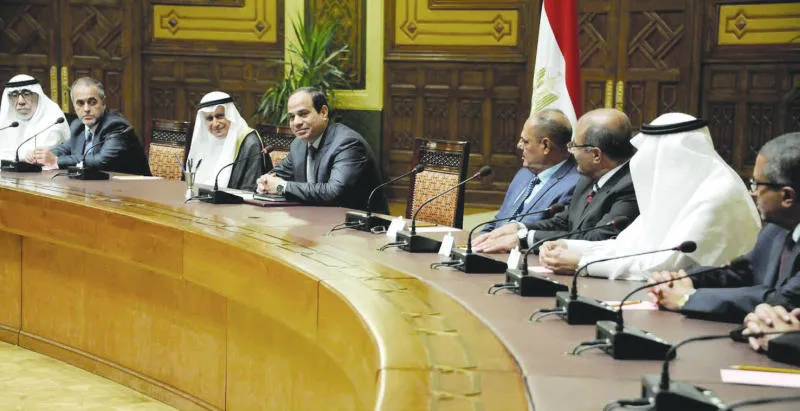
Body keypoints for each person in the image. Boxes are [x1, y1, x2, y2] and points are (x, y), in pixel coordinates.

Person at [538, 112, 761, 279]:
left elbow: (664, 266)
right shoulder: (681, 189)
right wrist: (566, 246)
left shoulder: (717, 194)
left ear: (671, 156)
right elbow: (627, 246)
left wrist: (582, 263)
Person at [649, 132, 800, 322]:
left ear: (787, 196)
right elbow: (742, 272)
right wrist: (682, 280)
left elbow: (784, 300)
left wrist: (687, 298)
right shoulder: (776, 229)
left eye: (756, 184)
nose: (752, 192)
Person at [473, 108, 638, 253]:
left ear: (596, 155)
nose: (571, 152)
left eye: (575, 146)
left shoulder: (630, 187)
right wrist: (519, 228)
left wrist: (525, 239)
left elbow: (597, 237)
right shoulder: (588, 179)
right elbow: (564, 221)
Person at [256, 87, 388, 213]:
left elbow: (334, 192)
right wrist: (264, 182)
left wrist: (281, 186)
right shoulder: (298, 144)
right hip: (315, 219)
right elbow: (277, 175)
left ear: (323, 112)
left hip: (358, 224)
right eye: (292, 117)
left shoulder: (347, 143)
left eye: (303, 114)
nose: (296, 122)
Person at [472, 108, 580, 245]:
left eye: (525, 141)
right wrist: (473, 244)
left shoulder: (574, 185)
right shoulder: (524, 174)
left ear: (546, 145)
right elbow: (499, 222)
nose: (519, 145)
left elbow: (557, 235)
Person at [33, 77, 150, 176]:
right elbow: (64, 149)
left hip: (130, 189)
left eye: (92, 102)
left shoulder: (116, 126)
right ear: (74, 106)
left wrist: (57, 161)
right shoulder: (78, 125)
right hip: (95, 187)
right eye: (80, 103)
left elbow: (102, 161)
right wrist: (40, 156)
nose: (86, 109)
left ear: (103, 102)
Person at [186, 92, 269, 191]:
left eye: (219, 116)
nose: (215, 124)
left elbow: (251, 188)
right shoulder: (205, 142)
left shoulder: (250, 142)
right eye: (209, 118)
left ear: (231, 115)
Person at [0, 74, 69, 165]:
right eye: (15, 95)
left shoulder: (53, 116)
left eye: (26, 94)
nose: (21, 101)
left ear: (37, 94)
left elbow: (43, 155)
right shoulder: (7, 122)